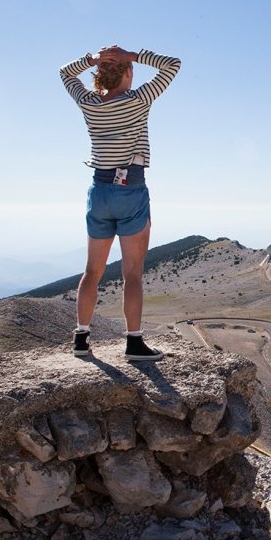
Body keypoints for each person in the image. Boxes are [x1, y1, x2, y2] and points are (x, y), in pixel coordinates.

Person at [60, 45, 181, 360]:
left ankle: (81, 338)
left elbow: (64, 72)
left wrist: (90, 59)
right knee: (132, 274)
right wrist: (133, 54)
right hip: (131, 190)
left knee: (92, 271)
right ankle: (134, 343)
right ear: (127, 72)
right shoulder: (139, 100)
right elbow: (172, 64)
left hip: (99, 191)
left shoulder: (88, 103)